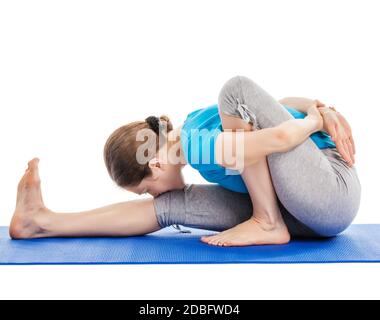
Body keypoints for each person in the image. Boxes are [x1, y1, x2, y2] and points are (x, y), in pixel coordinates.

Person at [9, 76, 361, 247]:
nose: (152, 195)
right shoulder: (195, 130)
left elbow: (283, 135)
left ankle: (266, 220)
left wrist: (318, 117)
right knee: (174, 204)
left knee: (234, 88)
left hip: (331, 192)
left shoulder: (198, 147)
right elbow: (281, 106)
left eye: (146, 189)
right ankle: (41, 222)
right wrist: (319, 107)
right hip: (304, 217)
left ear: (157, 166)